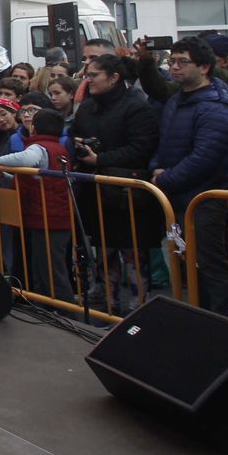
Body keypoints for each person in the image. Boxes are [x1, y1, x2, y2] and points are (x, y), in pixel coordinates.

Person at [147, 37, 228, 314]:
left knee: (209, 262)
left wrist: (164, 179)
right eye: (171, 61)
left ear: (204, 67)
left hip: (205, 197)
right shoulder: (177, 99)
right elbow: (164, 142)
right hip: (177, 194)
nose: (174, 67)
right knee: (185, 260)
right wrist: (156, 168)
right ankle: (195, 316)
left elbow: (206, 158)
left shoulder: (217, 106)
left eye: (182, 62)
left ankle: (219, 319)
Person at [68, 54, 161, 314]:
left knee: (132, 254)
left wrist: (101, 158)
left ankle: (139, 310)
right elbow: (75, 132)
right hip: (94, 192)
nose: (88, 80)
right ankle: (106, 306)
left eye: (93, 75)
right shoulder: (87, 106)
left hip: (127, 194)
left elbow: (142, 147)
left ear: (114, 77)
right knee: (103, 253)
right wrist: (80, 148)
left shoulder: (137, 107)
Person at [0, 109, 75, 302]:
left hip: (49, 217)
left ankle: (66, 311)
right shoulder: (56, 148)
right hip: (46, 216)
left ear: (34, 127)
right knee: (42, 267)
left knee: (52, 270)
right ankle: (45, 305)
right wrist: (4, 176)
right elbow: (31, 180)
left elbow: (25, 159)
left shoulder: (40, 147)